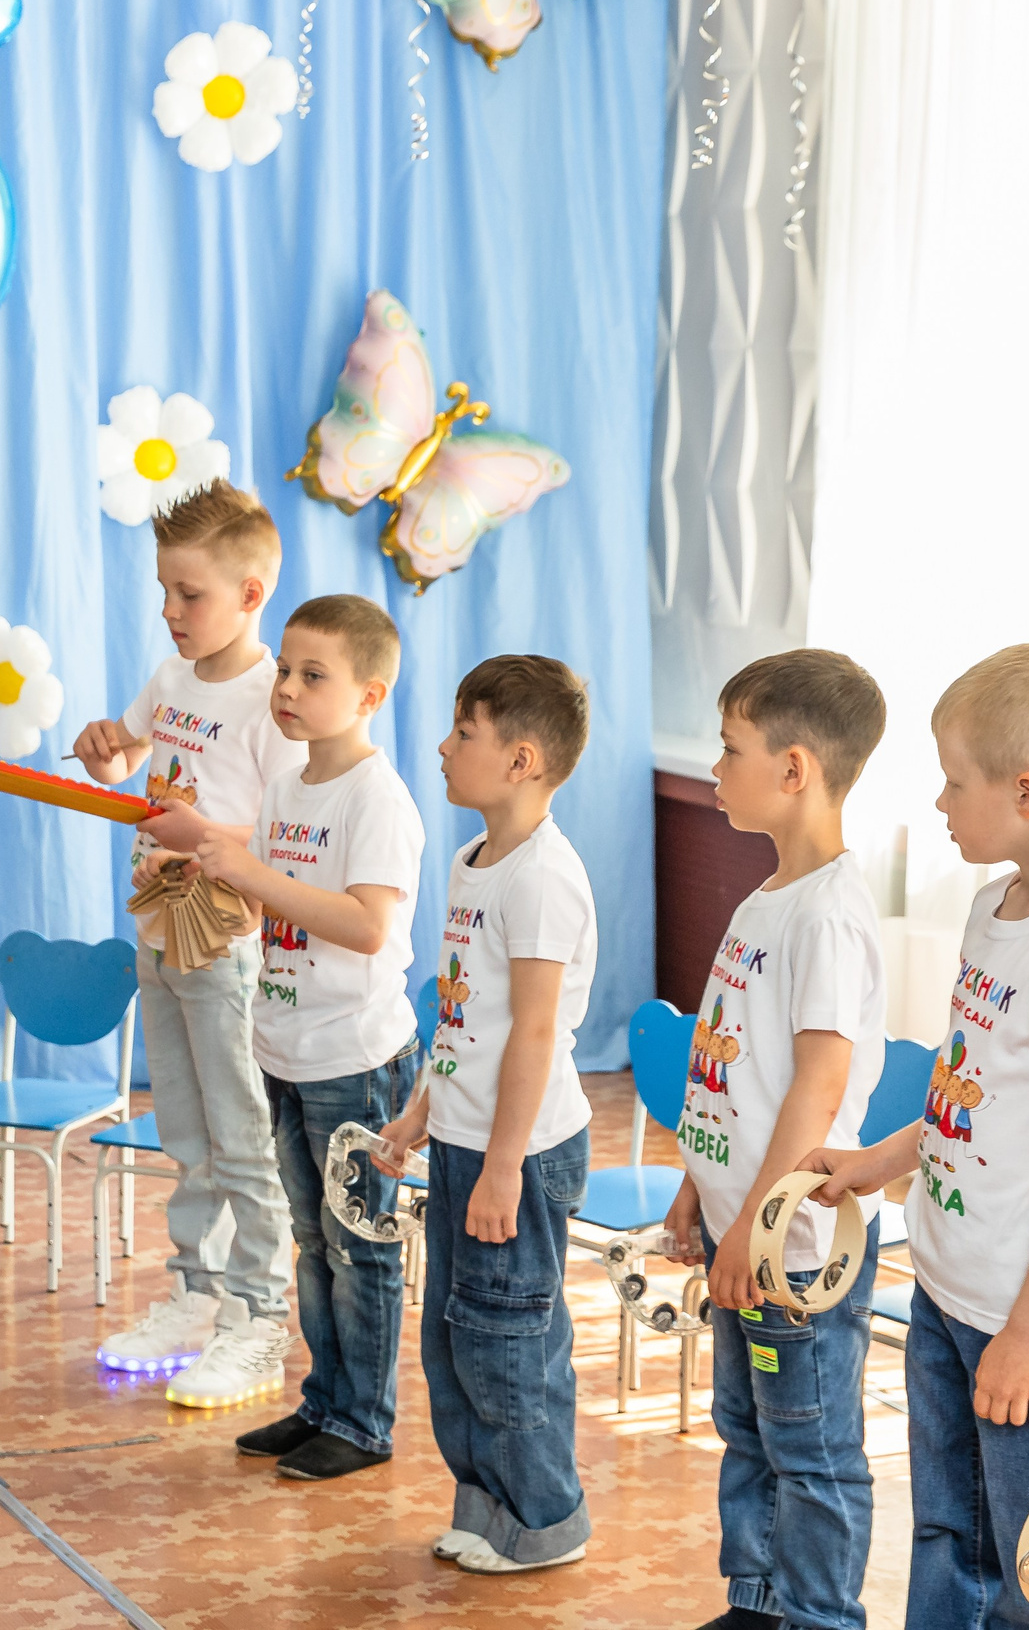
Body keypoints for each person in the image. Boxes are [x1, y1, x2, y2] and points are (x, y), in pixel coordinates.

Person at [803, 644, 1029, 1630]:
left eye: (955, 781)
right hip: (949, 1287)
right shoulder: (995, 905)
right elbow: (972, 1090)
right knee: (951, 1533)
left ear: (1027, 792)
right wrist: (876, 1161)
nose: (940, 802)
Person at [665, 647, 889, 1630]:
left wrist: (754, 1222)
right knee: (747, 1430)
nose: (714, 768)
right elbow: (735, 1070)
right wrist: (698, 1187)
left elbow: (818, 1082)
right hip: (742, 1229)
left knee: (809, 1446)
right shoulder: (768, 899)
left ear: (793, 768)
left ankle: (819, 1616)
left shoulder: (829, 914)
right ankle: (758, 1604)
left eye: (729, 749)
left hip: (790, 1248)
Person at [181, 595, 426, 1479]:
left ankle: (363, 1424)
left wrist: (251, 872)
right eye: (283, 669)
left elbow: (365, 925)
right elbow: (283, 906)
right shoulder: (288, 787)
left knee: (360, 1246)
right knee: (314, 1241)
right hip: (285, 1047)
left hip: (352, 1060)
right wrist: (219, 885)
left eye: (312, 675)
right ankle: (324, 1403)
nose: (285, 687)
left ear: (369, 695)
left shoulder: (377, 799)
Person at [72, 481, 307, 1402]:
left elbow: (291, 838)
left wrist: (201, 834)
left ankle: (258, 1315)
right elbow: (133, 761)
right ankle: (197, 1292)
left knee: (241, 1132)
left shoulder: (274, 702)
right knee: (183, 1124)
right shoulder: (172, 679)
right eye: (165, 592)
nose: (170, 611)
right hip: (156, 927)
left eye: (190, 594)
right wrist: (107, 754)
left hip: (226, 942)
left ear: (251, 595)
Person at [375, 654, 598, 1574]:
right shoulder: (476, 862)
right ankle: (488, 1504)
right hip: (467, 1138)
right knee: (455, 1337)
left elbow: (536, 1033)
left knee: (509, 1342)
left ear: (522, 760)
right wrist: (422, 1108)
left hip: (521, 1150)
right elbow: (465, 1017)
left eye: (464, 732)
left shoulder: (542, 877)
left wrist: (504, 1166)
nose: (442, 746)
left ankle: (545, 1518)